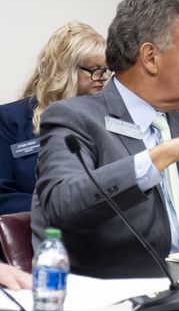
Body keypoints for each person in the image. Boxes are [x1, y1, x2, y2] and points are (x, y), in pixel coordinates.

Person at [31, 0, 179, 278]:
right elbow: (62, 205)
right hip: (122, 308)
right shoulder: (75, 119)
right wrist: (165, 154)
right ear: (151, 58)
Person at [0, 22, 107, 216]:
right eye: (94, 70)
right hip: (38, 234)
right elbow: (3, 197)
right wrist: (57, 207)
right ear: (66, 70)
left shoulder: (107, 118)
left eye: (106, 70)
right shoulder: (10, 119)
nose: (102, 77)